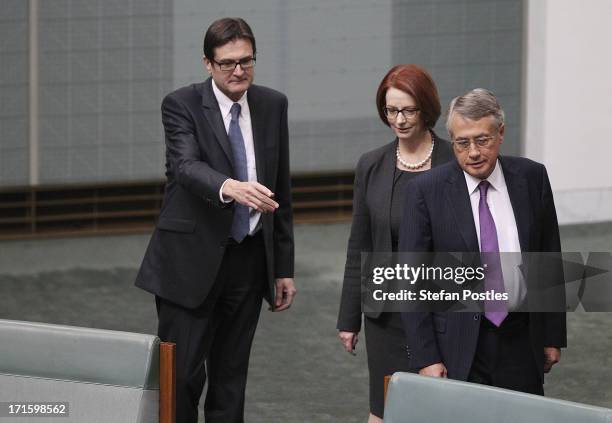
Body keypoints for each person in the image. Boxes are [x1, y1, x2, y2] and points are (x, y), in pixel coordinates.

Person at [135, 17, 296, 423]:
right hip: (189, 260)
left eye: (246, 61)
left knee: (230, 378)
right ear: (208, 63)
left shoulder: (272, 104)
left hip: (247, 261)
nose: (238, 71)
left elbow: (281, 187)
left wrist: (283, 268)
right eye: (227, 63)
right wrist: (231, 187)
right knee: (182, 377)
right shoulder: (181, 104)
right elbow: (185, 166)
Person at [399, 88, 566, 395]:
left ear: (500, 133)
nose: (473, 152)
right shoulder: (425, 191)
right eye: (462, 143)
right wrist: (426, 356)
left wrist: (552, 335)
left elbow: (548, 257)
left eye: (482, 140)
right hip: (456, 346)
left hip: (520, 338)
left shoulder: (532, 177)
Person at [336, 64, 453, 422]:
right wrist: (348, 318)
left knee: (440, 410)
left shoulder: (454, 161)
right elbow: (360, 244)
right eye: (391, 110)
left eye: (408, 110)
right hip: (386, 315)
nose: (399, 120)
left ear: (427, 108)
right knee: (383, 410)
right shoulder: (371, 165)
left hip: (442, 313)